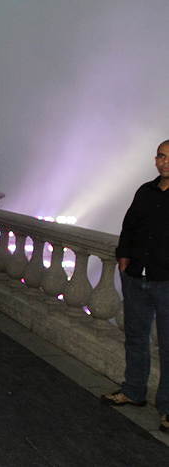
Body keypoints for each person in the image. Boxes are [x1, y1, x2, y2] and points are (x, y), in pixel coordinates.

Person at [100, 139, 169, 433]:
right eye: (162, 156)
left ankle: (166, 409)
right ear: (155, 160)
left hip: (166, 281)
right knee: (136, 338)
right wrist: (123, 259)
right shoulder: (146, 191)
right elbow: (129, 226)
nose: (165, 162)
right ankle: (133, 391)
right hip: (137, 277)